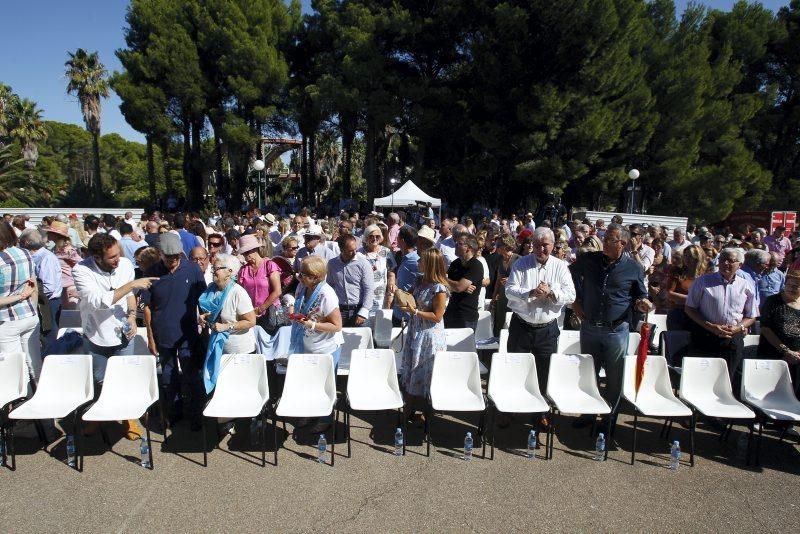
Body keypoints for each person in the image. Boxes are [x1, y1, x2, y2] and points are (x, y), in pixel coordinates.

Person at [72, 233, 159, 440]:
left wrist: (130, 316)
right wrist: (131, 285)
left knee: (124, 377)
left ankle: (128, 418)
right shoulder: (81, 270)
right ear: (97, 257)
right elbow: (97, 302)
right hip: (95, 333)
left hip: (122, 332)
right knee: (100, 379)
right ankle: (100, 415)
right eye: (111, 257)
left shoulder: (125, 264)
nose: (117, 259)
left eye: (118, 254)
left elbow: (130, 296)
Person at [571, 223, 654, 422]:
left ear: (622, 243)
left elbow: (641, 295)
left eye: (609, 240)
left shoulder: (633, 267)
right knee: (588, 374)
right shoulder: (590, 260)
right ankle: (588, 415)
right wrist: (577, 301)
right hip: (590, 327)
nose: (604, 242)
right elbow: (570, 274)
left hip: (616, 331)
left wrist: (643, 303)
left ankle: (609, 420)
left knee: (614, 378)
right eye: (605, 238)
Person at [142, 233, 207, 431]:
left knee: (191, 375)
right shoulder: (152, 272)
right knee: (169, 377)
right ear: (160, 254)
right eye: (168, 258)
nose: (172, 262)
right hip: (164, 334)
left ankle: (196, 415)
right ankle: (175, 412)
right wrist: (150, 337)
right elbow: (147, 307)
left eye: (176, 258)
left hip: (188, 333)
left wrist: (205, 328)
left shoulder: (193, 269)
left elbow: (202, 299)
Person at [506, 228, 576, 396]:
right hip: (521, 327)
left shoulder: (561, 267)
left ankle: (541, 413)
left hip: (547, 330)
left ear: (553, 245)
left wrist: (551, 293)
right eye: (537, 245)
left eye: (545, 245)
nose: (541, 249)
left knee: (544, 372)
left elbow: (571, 295)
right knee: (516, 369)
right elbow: (509, 290)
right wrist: (530, 292)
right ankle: (512, 408)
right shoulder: (521, 263)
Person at [684, 247, 757, 387]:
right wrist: (709, 326)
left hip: (732, 339)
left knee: (726, 379)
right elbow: (690, 308)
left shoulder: (745, 285)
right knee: (701, 378)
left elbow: (751, 315)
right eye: (723, 260)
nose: (726, 263)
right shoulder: (703, 281)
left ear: (740, 265)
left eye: (731, 261)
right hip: (704, 335)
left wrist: (739, 327)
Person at [398, 248, 450, 418]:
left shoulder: (439, 288)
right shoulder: (420, 281)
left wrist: (415, 312)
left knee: (426, 373)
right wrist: (399, 294)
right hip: (416, 331)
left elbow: (437, 316)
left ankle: (427, 412)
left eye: (421, 260)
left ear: (430, 264)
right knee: (413, 371)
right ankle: (411, 409)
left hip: (429, 336)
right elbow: (411, 299)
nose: (418, 262)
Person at [198, 253, 257, 393]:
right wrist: (204, 318)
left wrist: (226, 326)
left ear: (229, 271)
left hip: (239, 350)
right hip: (220, 348)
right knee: (225, 390)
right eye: (213, 268)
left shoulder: (238, 292)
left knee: (240, 390)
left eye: (217, 268)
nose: (213, 271)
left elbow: (251, 321)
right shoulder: (212, 290)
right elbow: (214, 315)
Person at [0, 222, 40, 379]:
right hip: (29, 314)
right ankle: (39, 394)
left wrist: (18, 296)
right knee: (34, 363)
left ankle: (19, 400)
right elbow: (33, 286)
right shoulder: (25, 253)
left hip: (6, 320)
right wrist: (31, 307)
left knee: (14, 369)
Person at [19, 229, 62, 345]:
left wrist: (29, 294)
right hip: (40, 300)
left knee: (48, 335)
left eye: (20, 242)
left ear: (26, 242)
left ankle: (51, 359)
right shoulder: (36, 257)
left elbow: (49, 287)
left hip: (48, 303)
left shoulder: (46, 258)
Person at [758, 270, 800, 384]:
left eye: (796, 286)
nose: (791, 288)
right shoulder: (773, 301)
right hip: (774, 353)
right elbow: (765, 328)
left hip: (797, 356)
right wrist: (785, 351)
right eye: (788, 285)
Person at [237, 234, 284, 335]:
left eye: (249, 251)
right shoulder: (243, 270)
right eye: (244, 253)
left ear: (256, 249)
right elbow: (239, 293)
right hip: (250, 314)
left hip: (269, 312)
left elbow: (277, 291)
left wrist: (261, 308)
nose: (247, 256)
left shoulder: (270, 265)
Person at [327, 234, 374, 327]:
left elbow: (369, 288)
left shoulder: (363, 263)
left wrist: (364, 311)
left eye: (355, 249)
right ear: (341, 250)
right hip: (340, 309)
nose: (354, 253)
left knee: (362, 339)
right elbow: (330, 286)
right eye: (350, 251)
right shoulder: (332, 264)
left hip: (359, 309)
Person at [359, 224, 396, 327]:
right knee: (365, 325)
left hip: (381, 295)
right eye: (371, 236)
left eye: (377, 236)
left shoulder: (386, 251)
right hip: (365, 295)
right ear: (366, 237)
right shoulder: (359, 253)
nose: (374, 238)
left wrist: (391, 285)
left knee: (380, 326)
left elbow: (391, 271)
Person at [443, 234, 483, 331]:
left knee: (464, 346)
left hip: (466, 316)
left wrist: (446, 280)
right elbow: (445, 285)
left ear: (468, 248)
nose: (455, 246)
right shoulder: (455, 263)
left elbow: (458, 287)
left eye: (459, 244)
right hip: (450, 313)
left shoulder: (476, 265)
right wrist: (457, 285)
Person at [665, 245, 706, 330]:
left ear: (697, 258)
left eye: (690, 256)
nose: (687, 259)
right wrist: (694, 300)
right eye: (685, 256)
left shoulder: (706, 275)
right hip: (678, 315)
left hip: (699, 315)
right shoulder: (677, 271)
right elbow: (669, 294)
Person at [47, 220, 82, 310]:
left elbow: (82, 264)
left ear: (56, 235)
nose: (47, 233)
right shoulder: (56, 248)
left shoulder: (68, 250)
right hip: (62, 287)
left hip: (70, 288)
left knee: (71, 317)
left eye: (50, 232)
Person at [490, 235, 520, 337]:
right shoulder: (500, 259)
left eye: (498, 244)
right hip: (502, 296)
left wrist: (511, 280)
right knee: (499, 322)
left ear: (506, 245)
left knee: (511, 323)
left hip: (514, 297)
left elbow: (524, 280)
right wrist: (493, 298)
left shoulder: (518, 259)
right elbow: (498, 280)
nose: (496, 246)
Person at [393, 225, 420, 325]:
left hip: (408, 316)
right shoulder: (404, 258)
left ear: (402, 241)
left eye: (398, 238)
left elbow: (427, 279)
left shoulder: (415, 261)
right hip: (398, 312)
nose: (396, 240)